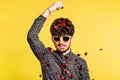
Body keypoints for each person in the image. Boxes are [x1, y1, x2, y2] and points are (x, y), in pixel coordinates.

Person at [27, 1, 90, 80]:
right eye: (57, 38)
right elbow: (31, 36)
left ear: (72, 39)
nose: (61, 42)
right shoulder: (46, 55)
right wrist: (48, 11)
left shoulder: (81, 63)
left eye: (65, 38)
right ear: (52, 39)